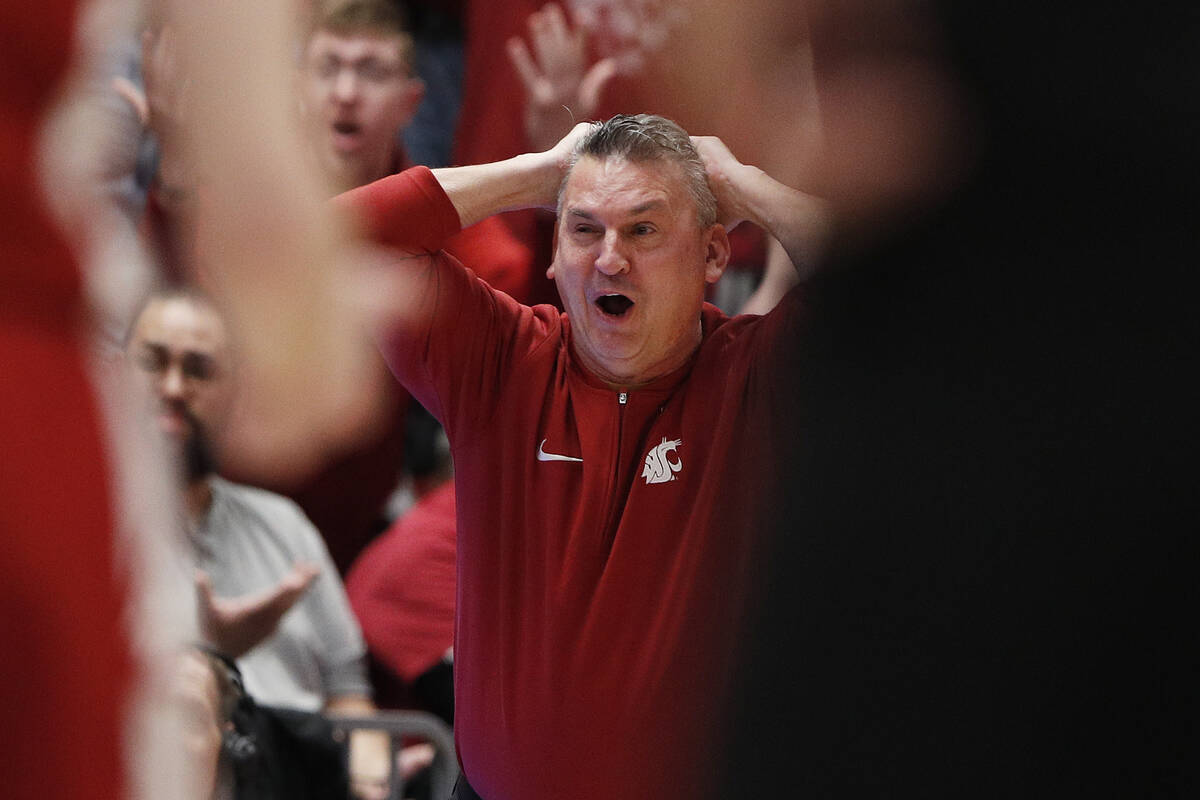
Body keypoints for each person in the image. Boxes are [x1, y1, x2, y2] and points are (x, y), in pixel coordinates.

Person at [338, 113, 828, 799]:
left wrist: (744, 187)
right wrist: (537, 172)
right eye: (585, 229)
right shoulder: (500, 362)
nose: (610, 259)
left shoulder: (756, 378)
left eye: (644, 229)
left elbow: (899, 282)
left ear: (715, 255)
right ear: (553, 257)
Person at [124, 287, 391, 798]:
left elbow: (349, 695)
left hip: (302, 775)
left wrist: (371, 778)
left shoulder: (282, 523)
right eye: (153, 363)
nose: (174, 387)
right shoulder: (81, 529)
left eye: (200, 370)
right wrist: (211, 651)